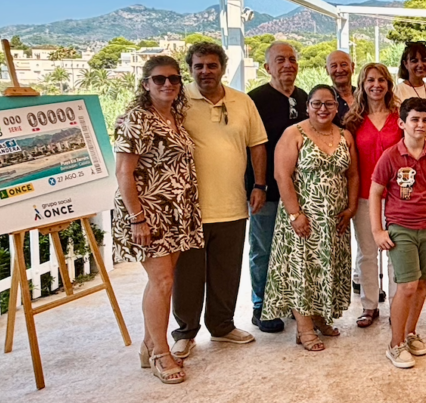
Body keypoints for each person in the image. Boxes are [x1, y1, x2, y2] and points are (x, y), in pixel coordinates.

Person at [172, 42, 268, 359]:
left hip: (232, 204)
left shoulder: (242, 102)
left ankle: (223, 326)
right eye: (198, 66)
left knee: (227, 271)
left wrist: (259, 184)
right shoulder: (177, 100)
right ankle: (185, 333)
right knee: (188, 275)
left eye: (211, 65)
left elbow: (257, 145)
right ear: (190, 69)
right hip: (190, 208)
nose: (205, 71)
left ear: (222, 68)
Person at [113, 56, 202, 385]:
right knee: (162, 281)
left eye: (174, 79)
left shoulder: (173, 116)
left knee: (164, 281)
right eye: (160, 79)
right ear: (146, 83)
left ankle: (149, 344)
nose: (168, 84)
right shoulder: (137, 118)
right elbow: (124, 172)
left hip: (177, 212)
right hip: (150, 213)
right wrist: (137, 218)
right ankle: (161, 353)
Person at [262, 85, 359, 351]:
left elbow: (352, 175)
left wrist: (350, 208)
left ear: (337, 107)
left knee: (325, 269)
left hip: (334, 219)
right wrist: (295, 214)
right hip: (303, 217)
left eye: (328, 104)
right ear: (307, 107)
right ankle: (303, 328)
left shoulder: (345, 135)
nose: (323, 109)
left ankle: (319, 317)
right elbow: (282, 176)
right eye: (316, 104)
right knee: (302, 270)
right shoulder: (294, 134)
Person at [371, 98, 426, 369]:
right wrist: (377, 230)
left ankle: (409, 333)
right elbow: (375, 192)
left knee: (421, 284)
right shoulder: (391, 156)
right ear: (402, 123)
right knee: (406, 286)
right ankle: (394, 345)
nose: (420, 124)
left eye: (425, 120)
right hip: (401, 228)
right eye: (415, 119)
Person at [245, 41, 308, 334]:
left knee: (296, 249)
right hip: (266, 189)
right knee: (264, 249)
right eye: (280, 60)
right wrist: (256, 184)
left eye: (292, 59)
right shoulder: (254, 100)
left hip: (300, 192)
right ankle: (262, 306)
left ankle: (293, 302)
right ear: (267, 67)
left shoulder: (305, 97)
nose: (288, 65)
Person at [344, 63, 402, 328]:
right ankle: (369, 305)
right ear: (362, 84)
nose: (376, 85)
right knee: (367, 252)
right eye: (370, 80)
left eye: (381, 80)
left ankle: (395, 307)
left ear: (389, 84)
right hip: (366, 196)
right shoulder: (353, 120)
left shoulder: (400, 117)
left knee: (394, 252)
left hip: (397, 197)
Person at [326, 50, 355, 127]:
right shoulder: (324, 99)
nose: (339, 70)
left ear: (352, 67)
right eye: (333, 66)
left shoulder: (364, 96)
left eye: (344, 65)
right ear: (327, 70)